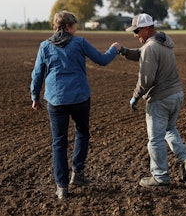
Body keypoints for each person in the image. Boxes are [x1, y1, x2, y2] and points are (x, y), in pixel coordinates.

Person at [30, 10, 122, 199]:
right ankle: (77, 173)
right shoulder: (79, 43)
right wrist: (115, 48)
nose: (76, 29)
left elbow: (38, 73)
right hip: (80, 98)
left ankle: (62, 186)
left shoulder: (45, 46)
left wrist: (35, 97)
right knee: (82, 132)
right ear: (67, 27)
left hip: (55, 100)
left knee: (59, 142)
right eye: (74, 26)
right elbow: (102, 60)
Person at [120, 13, 186, 187]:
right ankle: (185, 159)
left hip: (160, 98)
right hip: (176, 94)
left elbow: (146, 79)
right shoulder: (164, 40)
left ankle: (160, 176)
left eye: (137, 31)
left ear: (147, 29)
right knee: (170, 129)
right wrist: (124, 51)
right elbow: (140, 54)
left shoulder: (150, 48)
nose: (135, 35)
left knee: (155, 139)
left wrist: (135, 96)